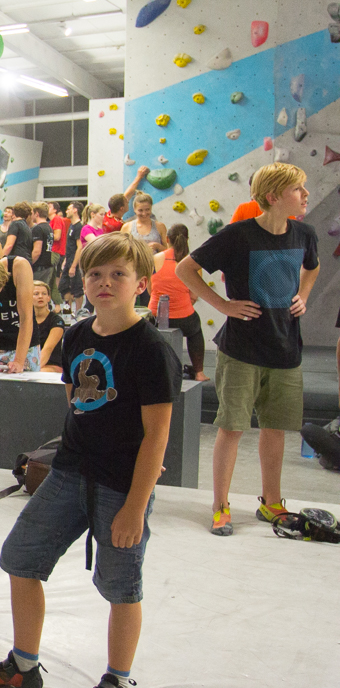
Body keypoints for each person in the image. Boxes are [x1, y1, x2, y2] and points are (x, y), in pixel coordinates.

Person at [0, 231, 181, 688]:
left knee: (121, 584)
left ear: (141, 284)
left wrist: (134, 504)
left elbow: (156, 437)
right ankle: (24, 665)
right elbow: (75, 404)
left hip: (120, 487)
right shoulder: (80, 335)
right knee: (21, 558)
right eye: (95, 274)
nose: (104, 283)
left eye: (118, 275)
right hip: (69, 473)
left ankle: (116, 678)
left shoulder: (151, 350)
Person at [175, 163, 319, 536]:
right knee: (232, 427)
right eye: (298, 189)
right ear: (273, 197)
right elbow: (185, 270)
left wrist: (303, 295)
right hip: (241, 350)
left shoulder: (305, 233)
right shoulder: (237, 236)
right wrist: (223, 306)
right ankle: (220, 505)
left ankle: (272, 502)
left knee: (276, 429)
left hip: (286, 349)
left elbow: (312, 268)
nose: (305, 195)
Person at [149, 224, 208, 381]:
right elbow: (194, 295)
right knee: (195, 330)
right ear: (187, 239)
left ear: (167, 239)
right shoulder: (193, 262)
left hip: (155, 316)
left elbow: (150, 290)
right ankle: (199, 373)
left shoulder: (155, 259)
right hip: (184, 318)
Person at [30, 281, 65, 373]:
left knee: (41, 372)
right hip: (29, 362)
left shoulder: (56, 321)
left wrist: (34, 369)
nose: (40, 296)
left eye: (44, 294)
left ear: (48, 298)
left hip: (51, 364)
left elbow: (47, 349)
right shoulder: (25, 319)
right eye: (36, 294)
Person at [103, 166, 149, 234]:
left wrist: (139, 176)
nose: (128, 202)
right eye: (127, 203)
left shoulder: (109, 214)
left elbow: (127, 194)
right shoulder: (118, 225)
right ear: (122, 208)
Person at [58, 204, 86, 308]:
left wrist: (74, 265)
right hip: (68, 260)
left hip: (75, 262)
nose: (66, 211)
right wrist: (66, 260)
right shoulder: (71, 226)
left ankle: (78, 311)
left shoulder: (79, 227)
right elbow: (70, 246)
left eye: (69, 209)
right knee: (64, 286)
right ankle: (68, 310)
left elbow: (80, 247)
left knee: (77, 288)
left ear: (75, 210)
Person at [28, 203, 53, 287]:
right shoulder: (48, 227)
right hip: (47, 266)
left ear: (37, 213)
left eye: (32, 213)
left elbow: (37, 251)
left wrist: (28, 264)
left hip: (38, 268)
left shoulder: (38, 229)